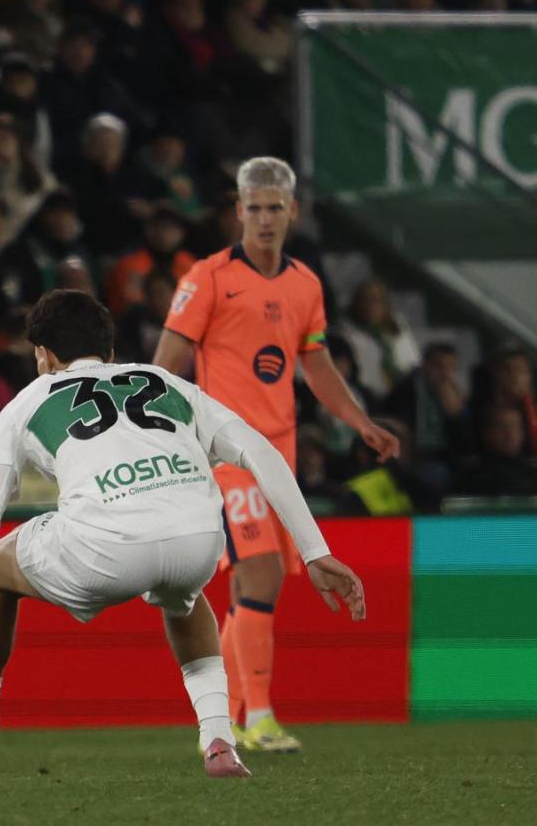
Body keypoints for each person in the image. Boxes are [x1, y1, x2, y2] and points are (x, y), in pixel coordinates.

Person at [0, 289, 367, 785]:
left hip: (105, 549)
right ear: (108, 350)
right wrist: (316, 552)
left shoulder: (27, 402)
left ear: (42, 354)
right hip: (198, 541)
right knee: (185, 600)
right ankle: (219, 742)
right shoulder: (164, 381)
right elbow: (261, 452)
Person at [152, 157, 398, 754]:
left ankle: (235, 715)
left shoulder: (305, 285)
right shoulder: (207, 278)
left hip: (278, 454)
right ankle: (260, 716)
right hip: (226, 451)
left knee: (259, 589)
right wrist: (157, 433)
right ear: (237, 211)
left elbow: (315, 362)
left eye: (274, 208)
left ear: (294, 211)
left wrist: (358, 420)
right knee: (258, 573)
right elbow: (168, 361)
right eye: (253, 208)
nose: (263, 219)